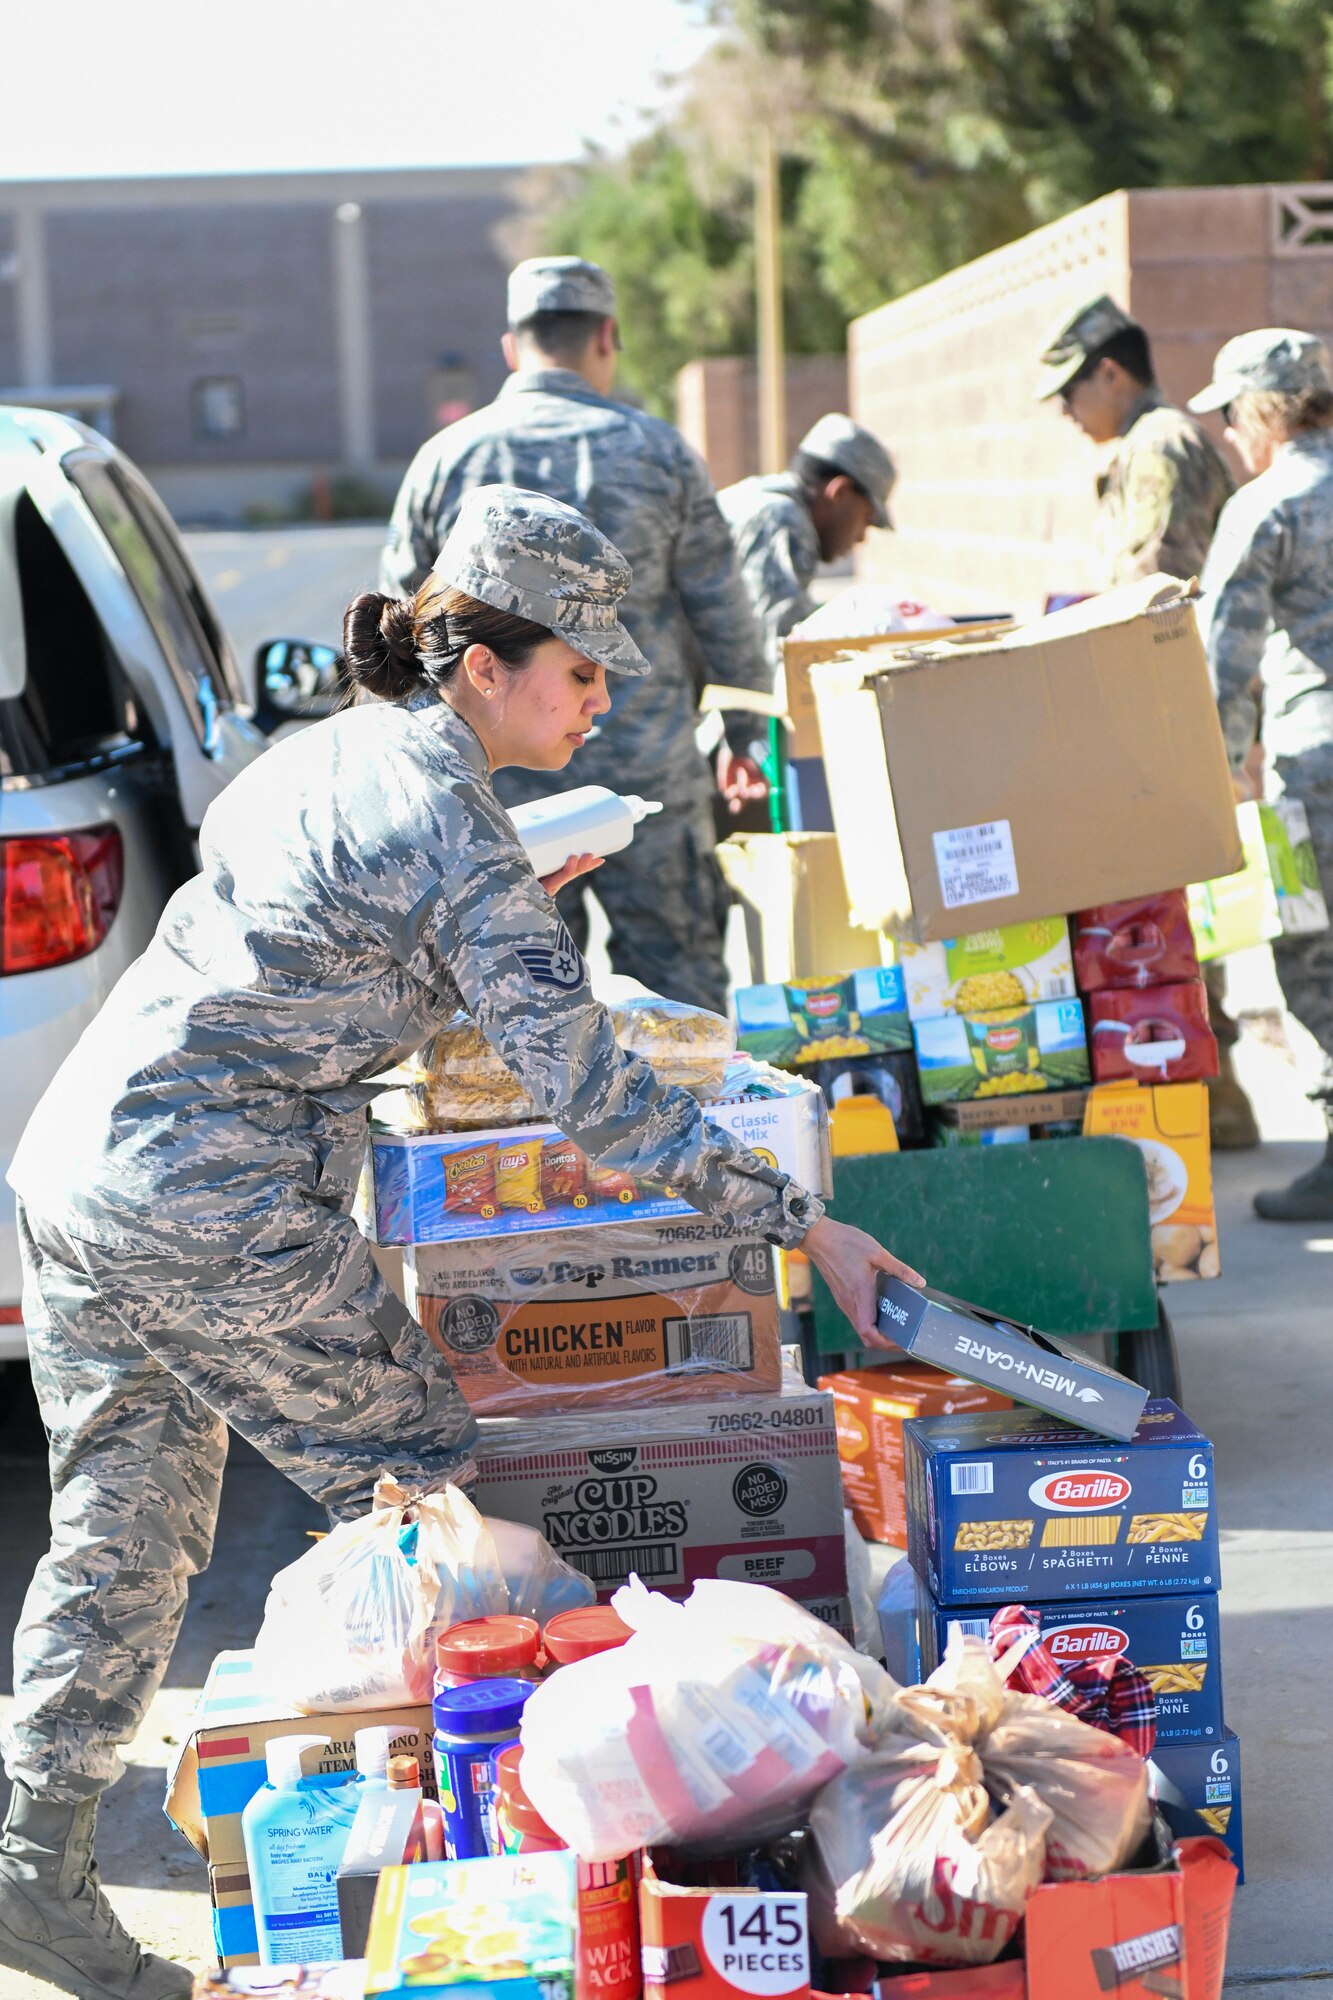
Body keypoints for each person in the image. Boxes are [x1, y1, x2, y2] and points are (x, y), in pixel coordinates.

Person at [0, 484, 921, 2000]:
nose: (604, 695)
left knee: (123, 1539)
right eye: (580, 666)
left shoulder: (343, 753)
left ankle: (35, 1876)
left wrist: (484, 927)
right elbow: (596, 1095)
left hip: (86, 1167)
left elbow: (321, 936)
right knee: (433, 1468)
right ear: (482, 665)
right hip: (200, 1189)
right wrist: (805, 1225)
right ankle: (493, 1867)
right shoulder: (454, 823)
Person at [380, 256, 773, 1016]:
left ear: (509, 346)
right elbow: (724, 611)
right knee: (676, 998)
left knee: (505, 1011)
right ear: (607, 335)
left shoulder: (444, 460)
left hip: (495, 784)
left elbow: (406, 627)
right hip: (646, 774)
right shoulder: (659, 453)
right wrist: (747, 738)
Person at [1038, 294, 1257, 1149]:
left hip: (1173, 712)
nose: (1064, 408)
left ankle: (1215, 1098)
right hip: (1172, 708)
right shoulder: (1142, 443)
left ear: (1111, 371)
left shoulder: (1159, 443)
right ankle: (1212, 1095)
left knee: (1178, 910)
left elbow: (1149, 596)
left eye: (1070, 387)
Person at [1188, 330, 1333, 1220]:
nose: (1230, 439)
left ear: (1261, 412)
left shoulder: (1267, 504)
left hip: (1312, 773)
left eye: (1232, 417)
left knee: (1311, 957)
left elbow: (1219, 664)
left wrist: (1209, 775)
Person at [718, 413, 897, 673]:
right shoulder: (781, 519)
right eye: (866, 519)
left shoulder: (764, 498)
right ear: (840, 492)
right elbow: (783, 655)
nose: (861, 537)